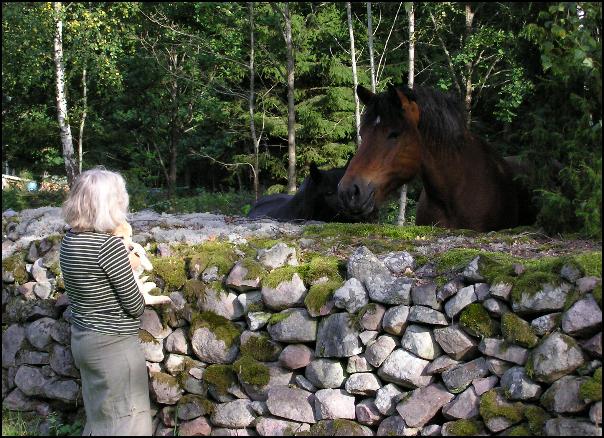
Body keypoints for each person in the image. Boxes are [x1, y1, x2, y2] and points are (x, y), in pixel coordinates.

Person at [59, 167, 170, 436]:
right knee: (129, 422)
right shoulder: (108, 246)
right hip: (114, 345)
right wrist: (139, 288)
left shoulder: (69, 240)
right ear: (109, 205)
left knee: (100, 421)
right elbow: (133, 304)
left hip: (83, 339)